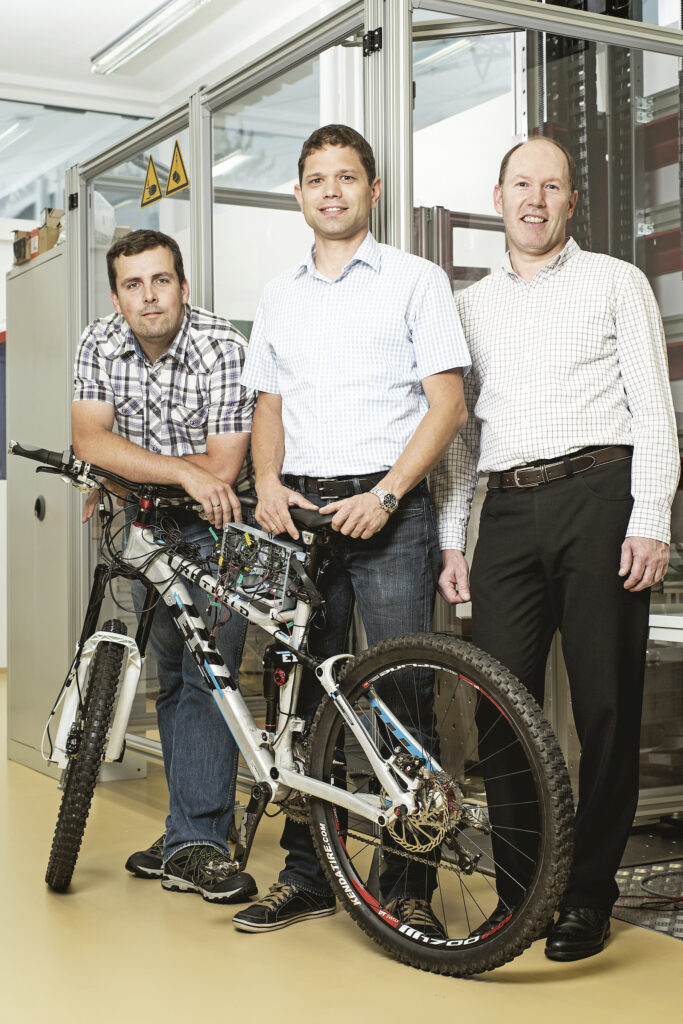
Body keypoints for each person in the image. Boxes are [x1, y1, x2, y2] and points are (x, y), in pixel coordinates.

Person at [433, 137, 680, 962]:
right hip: (505, 511)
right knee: (499, 704)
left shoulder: (616, 281)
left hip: (599, 496)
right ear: (497, 197)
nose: (534, 199)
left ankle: (586, 896)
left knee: (605, 707)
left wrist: (649, 517)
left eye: (551, 186)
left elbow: (653, 412)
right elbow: (458, 439)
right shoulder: (467, 306)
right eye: (521, 184)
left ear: (571, 202)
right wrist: (453, 537)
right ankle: (520, 894)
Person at [230, 124, 470, 936]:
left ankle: (407, 886)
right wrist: (267, 482)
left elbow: (447, 406)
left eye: (345, 177)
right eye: (316, 179)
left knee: (403, 698)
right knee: (302, 702)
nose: (330, 191)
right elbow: (269, 405)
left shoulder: (415, 280)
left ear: (372, 190)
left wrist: (389, 493)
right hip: (301, 520)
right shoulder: (279, 295)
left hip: (388, 516)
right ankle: (308, 874)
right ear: (299, 195)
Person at [72, 228, 258, 904]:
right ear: (116, 296)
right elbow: (89, 439)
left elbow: (222, 469)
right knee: (173, 680)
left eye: (161, 281)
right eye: (133, 284)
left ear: (182, 285)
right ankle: (189, 829)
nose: (148, 296)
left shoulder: (221, 346)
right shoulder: (99, 342)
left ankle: (197, 842)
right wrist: (171, 472)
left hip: (223, 525)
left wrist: (126, 469)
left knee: (210, 677)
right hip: (152, 523)